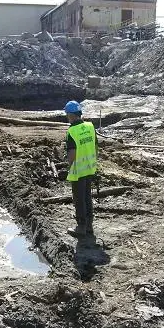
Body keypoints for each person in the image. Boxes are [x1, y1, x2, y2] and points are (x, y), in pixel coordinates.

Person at [64, 100, 98, 238]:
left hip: (78, 170)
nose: (67, 117)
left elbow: (72, 153)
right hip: (89, 167)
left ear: (71, 115)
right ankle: (89, 225)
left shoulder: (72, 131)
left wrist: (70, 167)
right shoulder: (90, 126)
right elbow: (95, 146)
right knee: (87, 196)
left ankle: (81, 227)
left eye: (67, 114)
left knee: (79, 199)